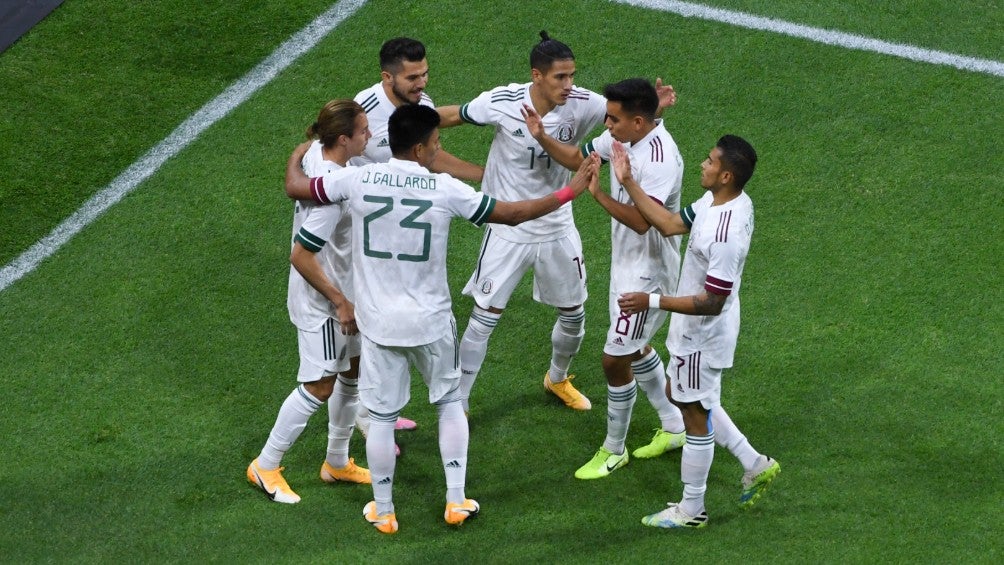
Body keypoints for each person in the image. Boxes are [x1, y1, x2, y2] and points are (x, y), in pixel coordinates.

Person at [284, 104, 600, 533]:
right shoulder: (444, 189)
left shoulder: (355, 180)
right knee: (449, 404)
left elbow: (299, 186)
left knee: (379, 418)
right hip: (431, 321)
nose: (438, 149)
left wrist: (300, 151)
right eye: (435, 143)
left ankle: (384, 509)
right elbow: (513, 214)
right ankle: (455, 500)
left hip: (378, 324)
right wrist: (570, 192)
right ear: (418, 147)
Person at [437, 31, 678, 414]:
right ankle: (459, 400)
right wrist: (407, 128)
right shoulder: (502, 102)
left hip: (557, 225)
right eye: (560, 77)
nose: (570, 85)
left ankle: (558, 377)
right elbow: (451, 115)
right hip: (508, 227)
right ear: (537, 75)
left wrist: (655, 109)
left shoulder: (583, 103)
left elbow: (628, 122)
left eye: (572, 76)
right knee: (484, 317)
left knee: (574, 313)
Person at [522, 78, 688, 479]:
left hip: (649, 274)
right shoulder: (624, 138)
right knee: (635, 348)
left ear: (636, 121)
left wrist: (598, 195)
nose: (606, 125)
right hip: (627, 266)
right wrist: (542, 136)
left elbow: (645, 223)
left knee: (614, 359)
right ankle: (675, 426)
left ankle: (614, 449)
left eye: (613, 119)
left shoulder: (662, 159)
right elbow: (579, 157)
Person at [615, 135, 780, 529]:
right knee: (683, 394)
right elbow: (672, 224)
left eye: (709, 162)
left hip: (703, 333)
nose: (701, 165)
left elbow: (712, 301)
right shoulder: (718, 200)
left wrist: (650, 301)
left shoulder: (725, 234)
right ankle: (754, 462)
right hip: (697, 329)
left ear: (725, 175)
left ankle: (692, 510)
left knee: (694, 415)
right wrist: (628, 182)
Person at [350, 36, 483, 436]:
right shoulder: (365, 111)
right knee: (362, 323)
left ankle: (379, 411)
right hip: (362, 231)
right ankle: (363, 415)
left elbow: (432, 157)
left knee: (382, 322)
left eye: (425, 73)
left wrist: (483, 175)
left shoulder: (420, 108)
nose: (421, 83)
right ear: (387, 77)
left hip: (399, 230)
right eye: (412, 77)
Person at [247, 100, 373, 504]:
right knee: (320, 385)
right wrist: (339, 301)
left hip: (345, 291)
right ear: (343, 139)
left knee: (351, 371)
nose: (369, 137)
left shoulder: (317, 155)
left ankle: (336, 461)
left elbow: (298, 168)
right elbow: (301, 255)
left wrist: (296, 154)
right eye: (364, 132)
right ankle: (265, 465)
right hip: (324, 300)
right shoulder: (331, 197)